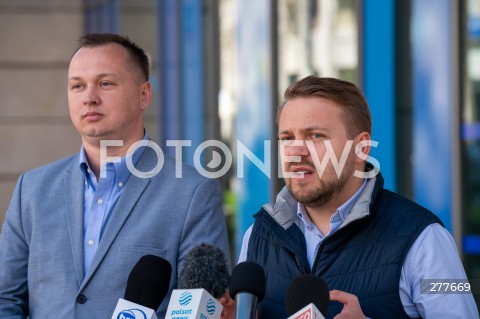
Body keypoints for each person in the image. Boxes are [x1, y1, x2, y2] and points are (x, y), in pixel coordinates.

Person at [0, 33, 231, 318]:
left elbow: (201, 308)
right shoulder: (32, 189)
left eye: (105, 83)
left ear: (144, 94)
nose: (89, 97)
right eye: (77, 86)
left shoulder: (192, 191)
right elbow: (5, 298)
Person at [238, 76, 479, 318]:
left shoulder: (425, 239)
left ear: (361, 148)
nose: (296, 152)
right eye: (288, 138)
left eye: (315, 136)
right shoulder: (258, 236)